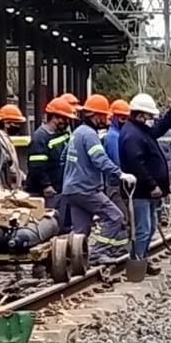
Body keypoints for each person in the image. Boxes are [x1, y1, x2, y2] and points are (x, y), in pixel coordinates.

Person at [62, 94, 134, 263]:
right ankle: (98, 252)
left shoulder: (77, 132)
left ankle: (75, 260)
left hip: (71, 189)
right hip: (86, 189)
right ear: (95, 116)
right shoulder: (90, 135)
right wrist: (120, 173)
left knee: (80, 231)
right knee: (115, 216)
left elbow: (64, 157)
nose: (105, 119)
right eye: (103, 116)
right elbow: (99, 159)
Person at [118, 93, 171, 274]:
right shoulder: (131, 135)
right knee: (142, 230)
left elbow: (159, 129)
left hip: (147, 193)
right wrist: (152, 185)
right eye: (149, 117)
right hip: (140, 193)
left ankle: (142, 261)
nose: (152, 120)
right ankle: (136, 266)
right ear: (140, 115)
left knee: (150, 227)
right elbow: (136, 165)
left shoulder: (140, 130)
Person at [25, 97, 78, 225]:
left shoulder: (62, 134)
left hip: (60, 187)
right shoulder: (40, 138)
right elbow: (36, 166)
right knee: (50, 222)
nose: (67, 122)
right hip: (47, 192)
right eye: (65, 119)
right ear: (55, 118)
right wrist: (46, 185)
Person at [102, 98, 130, 216]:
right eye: (122, 118)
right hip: (116, 183)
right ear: (114, 118)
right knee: (121, 215)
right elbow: (116, 160)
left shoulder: (119, 134)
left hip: (120, 183)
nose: (125, 122)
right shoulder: (113, 136)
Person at [0, 104, 27, 188]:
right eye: (16, 123)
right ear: (6, 124)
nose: (18, 126)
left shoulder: (4, 138)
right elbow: (10, 167)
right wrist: (22, 178)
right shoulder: (2, 140)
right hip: (7, 185)